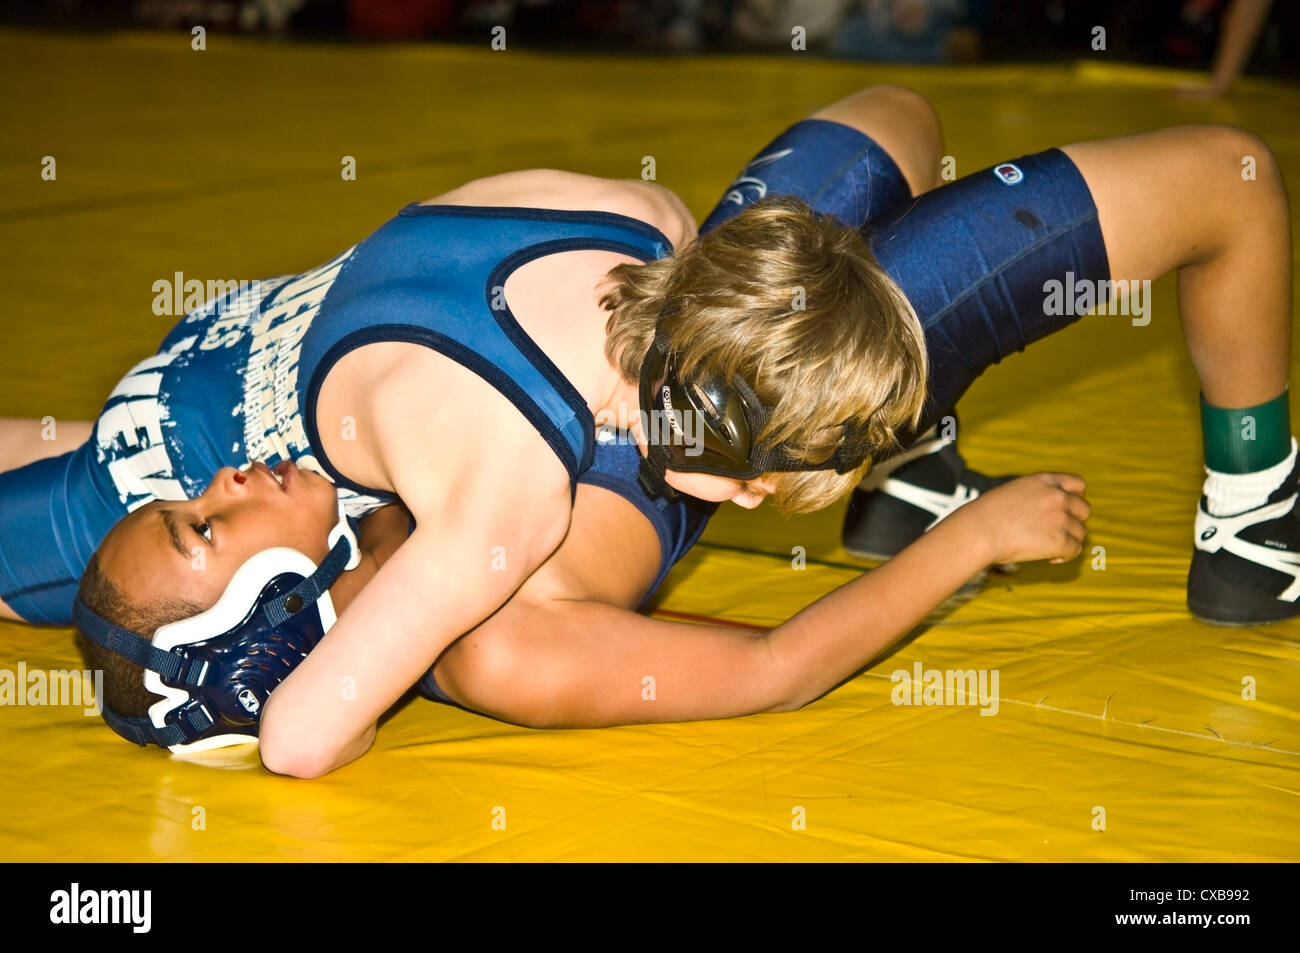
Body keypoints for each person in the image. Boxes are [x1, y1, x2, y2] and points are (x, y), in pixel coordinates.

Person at [4, 85, 1292, 776]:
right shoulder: (499, 626)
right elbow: (778, 666)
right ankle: (1256, 512)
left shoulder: (457, 521)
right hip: (644, 291)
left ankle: (907, 453)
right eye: (212, 520)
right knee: (1218, 174)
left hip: (691, 330)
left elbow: (293, 733)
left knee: (903, 116)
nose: (229, 483)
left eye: (196, 505)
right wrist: (973, 544)